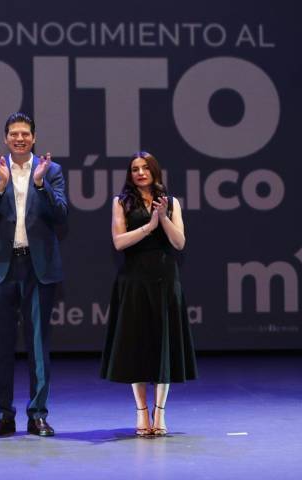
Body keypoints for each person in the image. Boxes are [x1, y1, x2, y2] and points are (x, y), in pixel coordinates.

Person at [0, 112, 68, 437]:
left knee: (38, 344)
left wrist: (40, 184)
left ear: (34, 138)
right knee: (2, 346)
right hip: (1, 267)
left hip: (37, 267)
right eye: (14, 133)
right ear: (5, 138)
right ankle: (4, 415)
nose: (19, 138)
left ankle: (38, 414)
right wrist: (1, 186)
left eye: (25, 133)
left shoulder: (51, 170)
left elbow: (61, 214)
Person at [100, 151, 197, 437]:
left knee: (163, 345)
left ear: (155, 171)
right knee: (137, 346)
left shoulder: (171, 202)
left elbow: (179, 242)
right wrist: (149, 226)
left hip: (165, 279)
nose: (140, 173)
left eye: (145, 168)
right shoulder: (121, 202)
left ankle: (160, 412)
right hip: (134, 280)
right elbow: (119, 242)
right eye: (135, 169)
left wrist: (162, 218)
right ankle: (142, 411)